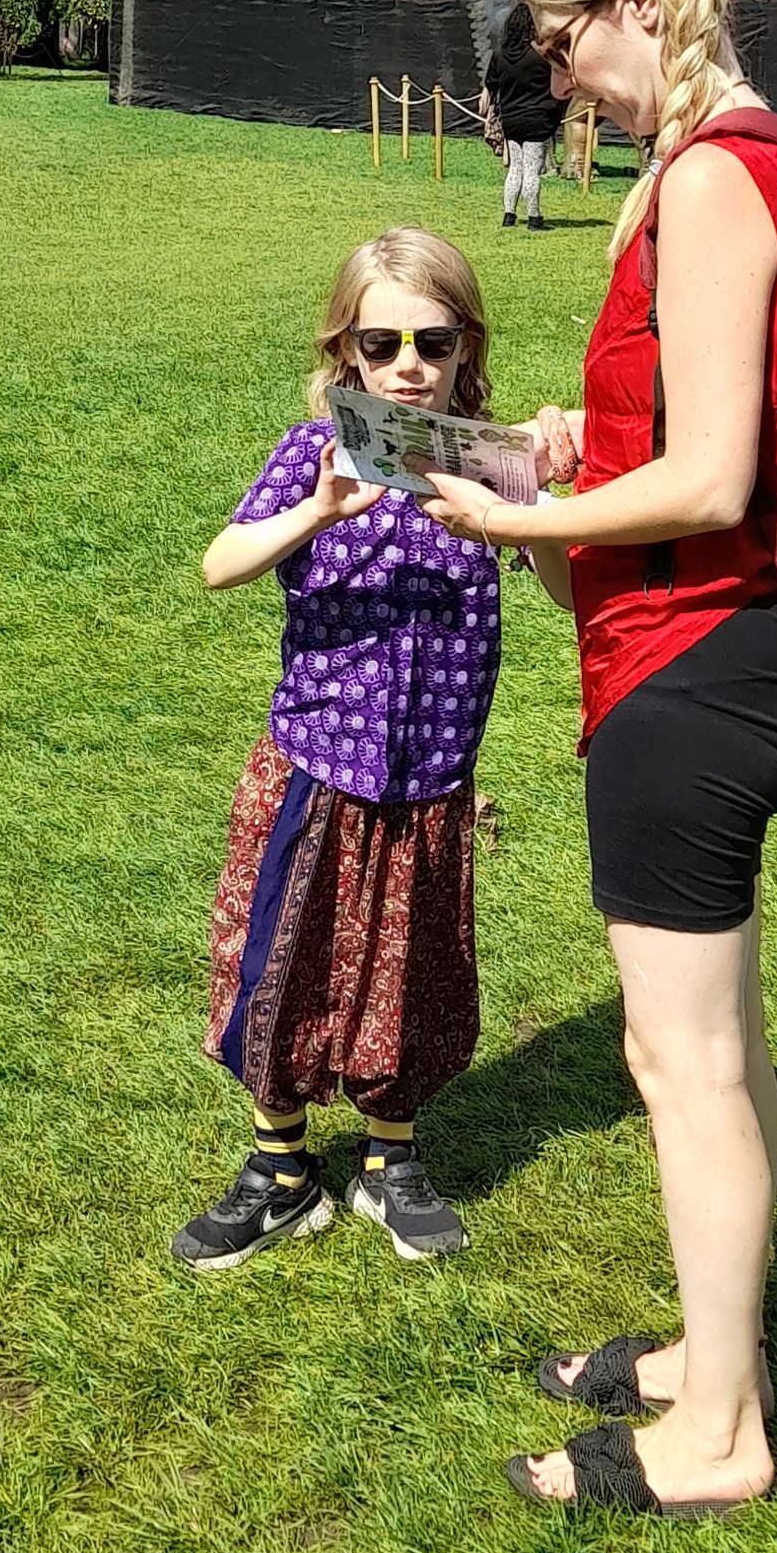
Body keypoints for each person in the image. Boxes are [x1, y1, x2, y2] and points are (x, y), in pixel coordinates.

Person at [411, 0, 777, 1520]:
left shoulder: (720, 177)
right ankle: (713, 1356)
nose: (555, 71)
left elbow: (717, 477)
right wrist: (581, 447)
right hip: (715, 651)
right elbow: (707, 432)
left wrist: (517, 512)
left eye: (561, 35)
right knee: (721, 1050)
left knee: (685, 1068)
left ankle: (720, 1433)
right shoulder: (734, 159)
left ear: (642, 4)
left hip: (697, 665)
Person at [173, 229, 501, 1270]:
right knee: (283, 960)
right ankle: (279, 1170)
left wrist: (520, 520)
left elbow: (570, 591)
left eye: (433, 341)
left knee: (412, 975)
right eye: (382, 343)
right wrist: (314, 513)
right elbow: (220, 563)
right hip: (316, 766)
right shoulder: (309, 452)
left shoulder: (490, 462)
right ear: (346, 351)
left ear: (464, 347)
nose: (408, 365)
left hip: (431, 777)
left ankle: (390, 1157)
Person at [484, 1, 560, 229]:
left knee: (515, 167)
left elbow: (491, 85)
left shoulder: (499, 55)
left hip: (511, 120)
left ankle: (509, 215)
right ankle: (534, 217)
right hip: (537, 119)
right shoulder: (541, 56)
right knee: (532, 170)